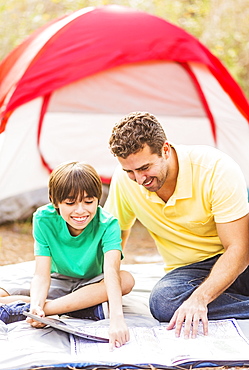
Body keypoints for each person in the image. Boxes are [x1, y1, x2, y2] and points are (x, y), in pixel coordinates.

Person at [104, 111, 249, 339]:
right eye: (129, 171)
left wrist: (199, 299)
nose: (139, 179)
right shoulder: (125, 181)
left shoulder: (216, 169)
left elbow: (239, 249)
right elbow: (112, 241)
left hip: (237, 259)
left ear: (165, 149)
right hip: (191, 271)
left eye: (144, 168)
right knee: (164, 301)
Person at [0, 161, 134, 349]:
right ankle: (73, 307)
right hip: (58, 279)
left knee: (125, 280)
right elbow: (41, 274)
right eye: (70, 203)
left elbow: (111, 271)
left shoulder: (108, 224)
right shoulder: (43, 218)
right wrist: (37, 304)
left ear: (97, 199)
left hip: (93, 281)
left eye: (89, 202)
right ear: (55, 202)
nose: (81, 211)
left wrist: (117, 320)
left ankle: (44, 309)